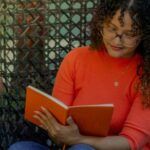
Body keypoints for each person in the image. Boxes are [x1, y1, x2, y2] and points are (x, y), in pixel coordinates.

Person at [9, 0, 150, 150]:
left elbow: (131, 142)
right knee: (20, 148)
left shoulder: (145, 74)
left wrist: (79, 139)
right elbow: (59, 131)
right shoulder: (76, 59)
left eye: (129, 34)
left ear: (144, 34)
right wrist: (57, 131)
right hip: (70, 146)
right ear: (101, 24)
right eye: (111, 28)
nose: (117, 39)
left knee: (82, 148)